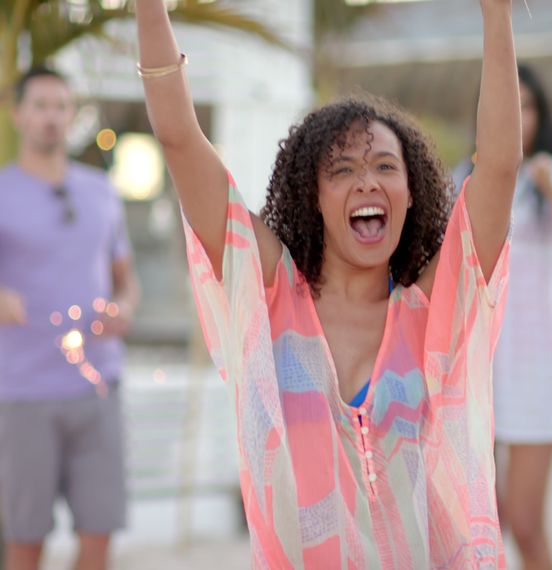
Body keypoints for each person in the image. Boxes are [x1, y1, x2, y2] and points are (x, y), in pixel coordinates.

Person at [134, 0, 520, 567]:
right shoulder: (270, 299)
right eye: (342, 171)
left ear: (411, 193)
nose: (367, 181)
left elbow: (500, 167)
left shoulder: (433, 308)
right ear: (313, 200)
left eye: (386, 167)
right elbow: (179, 139)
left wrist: (496, 13)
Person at [453, 64, 552, 570]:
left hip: (541, 349)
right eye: (506, 103)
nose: (518, 116)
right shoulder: (464, 178)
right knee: (481, 514)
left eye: (527, 105)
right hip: (479, 349)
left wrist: (544, 181)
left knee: (526, 520)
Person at [0, 67, 140, 570]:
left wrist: (124, 308)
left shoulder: (101, 190)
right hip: (23, 395)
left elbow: (126, 280)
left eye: (61, 106)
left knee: (99, 536)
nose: (51, 117)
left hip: (98, 387)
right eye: (39, 105)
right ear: (18, 115)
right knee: (25, 541)